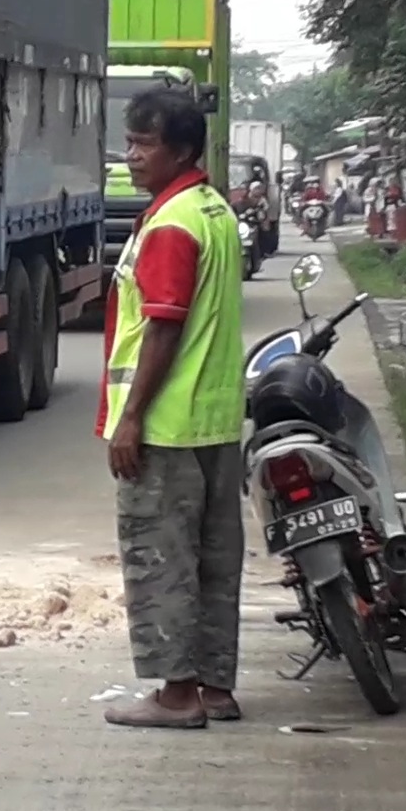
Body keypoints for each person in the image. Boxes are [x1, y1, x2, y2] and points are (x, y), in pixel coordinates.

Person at [98, 87, 247, 730]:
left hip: (167, 425)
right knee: (215, 560)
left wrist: (129, 417)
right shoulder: (213, 210)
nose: (130, 156)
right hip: (215, 423)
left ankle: (177, 695)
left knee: (160, 557)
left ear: (181, 150)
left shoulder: (170, 225)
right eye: (129, 141)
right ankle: (216, 686)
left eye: (144, 143)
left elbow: (163, 326)